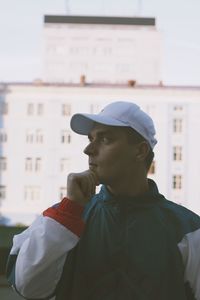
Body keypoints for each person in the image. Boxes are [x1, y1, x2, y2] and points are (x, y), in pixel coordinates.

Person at [6, 101, 200, 300]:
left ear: (140, 151)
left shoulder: (188, 229)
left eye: (105, 139)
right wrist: (70, 211)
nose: (88, 149)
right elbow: (26, 287)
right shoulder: (64, 217)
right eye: (91, 138)